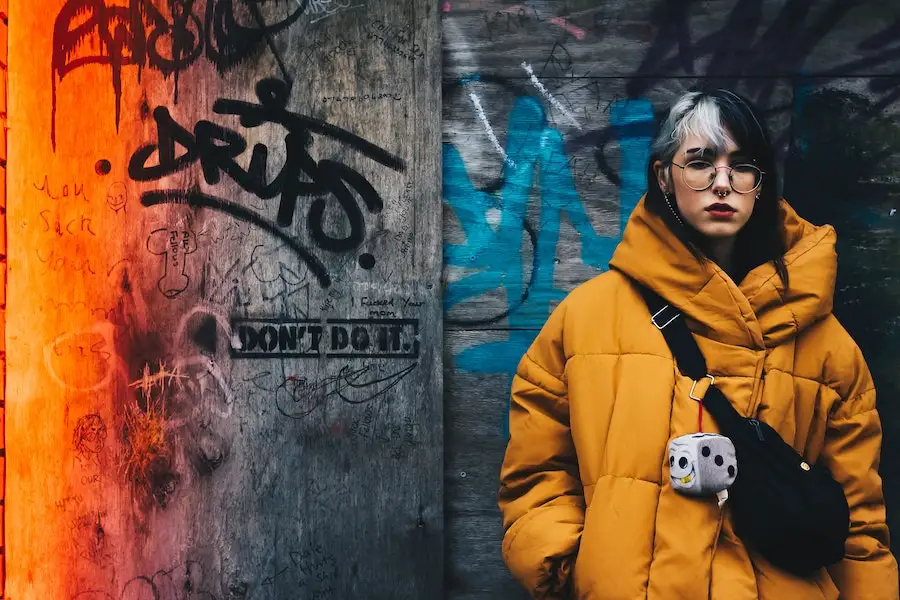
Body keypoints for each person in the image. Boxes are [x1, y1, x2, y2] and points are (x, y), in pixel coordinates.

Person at [498, 89, 898, 599]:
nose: (723, 183)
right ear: (665, 176)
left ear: (761, 184)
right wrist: (568, 562)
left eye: (743, 166)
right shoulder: (588, 319)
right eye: (700, 163)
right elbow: (536, 468)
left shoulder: (826, 345)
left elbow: (859, 522)